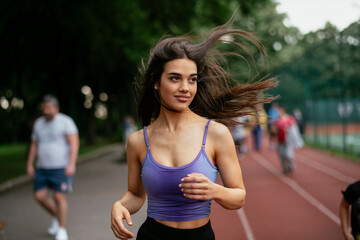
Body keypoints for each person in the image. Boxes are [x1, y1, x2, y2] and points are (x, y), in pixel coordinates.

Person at [110, 16, 278, 240]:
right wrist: (120, 205)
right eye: (175, 78)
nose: (185, 88)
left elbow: (239, 196)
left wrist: (215, 191)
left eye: (192, 79)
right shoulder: (138, 141)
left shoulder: (216, 134)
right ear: (156, 81)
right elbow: (136, 194)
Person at [26, 95, 79, 240]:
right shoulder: (38, 123)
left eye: (49, 108)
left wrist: (71, 163)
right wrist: (30, 163)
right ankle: (57, 217)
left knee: (58, 197)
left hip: (61, 167)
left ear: (56, 108)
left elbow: (74, 143)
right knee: (39, 196)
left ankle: (61, 229)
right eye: (44, 108)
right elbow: (34, 145)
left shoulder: (65, 122)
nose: (46, 111)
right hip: (42, 168)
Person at [272, 104, 297, 174]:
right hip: (280, 140)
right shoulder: (277, 120)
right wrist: (276, 129)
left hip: (288, 141)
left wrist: (287, 128)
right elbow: (273, 129)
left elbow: (294, 127)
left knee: (288, 155)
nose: (278, 112)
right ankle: (285, 168)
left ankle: (291, 165)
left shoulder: (290, 118)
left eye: (279, 110)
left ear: (283, 110)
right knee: (281, 155)